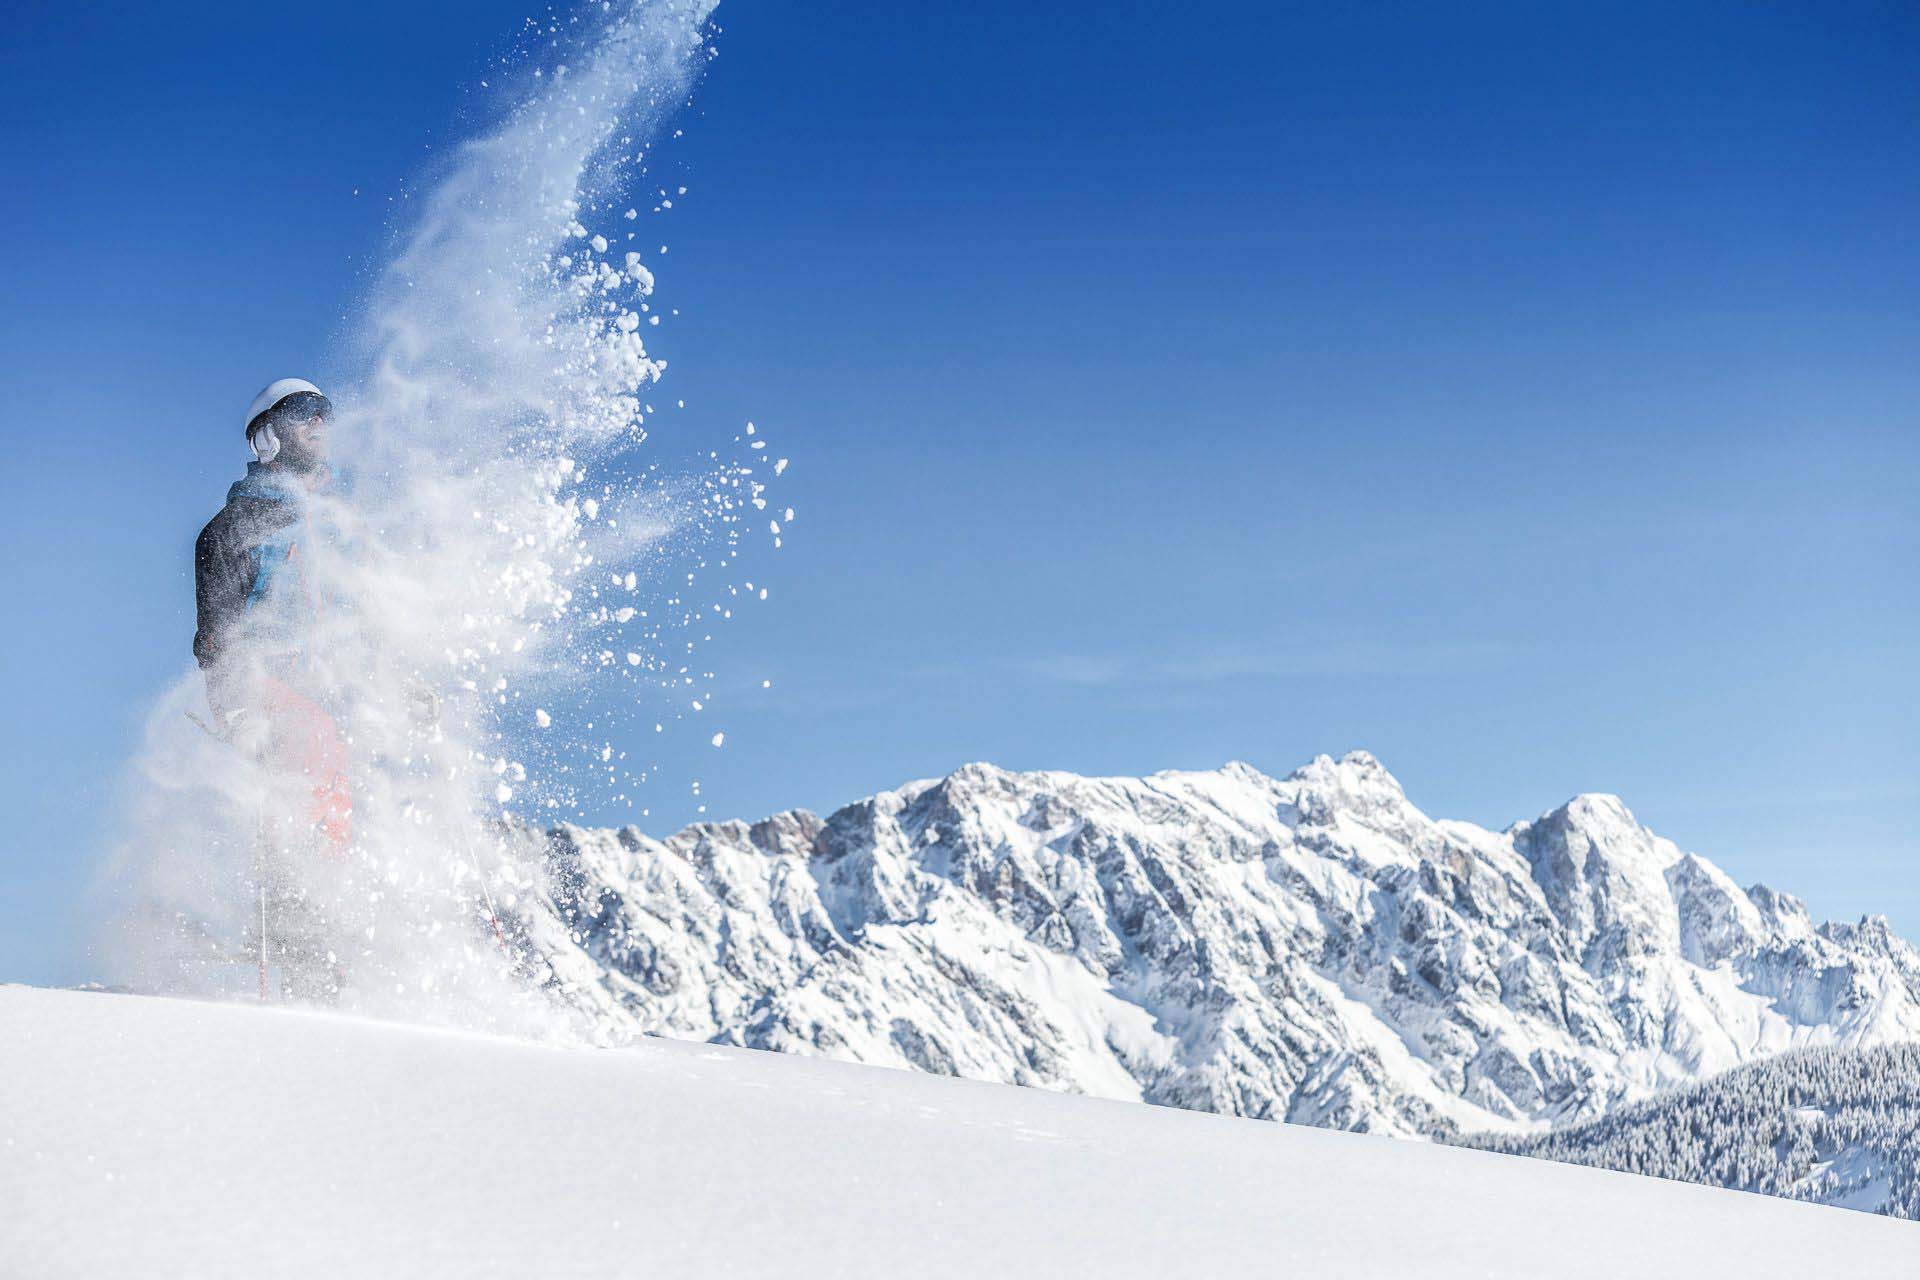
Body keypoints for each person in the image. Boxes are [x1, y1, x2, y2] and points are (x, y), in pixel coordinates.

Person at [193, 378, 351, 996]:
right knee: (308, 764)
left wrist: (407, 683)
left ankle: (340, 939)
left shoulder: (333, 528)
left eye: (325, 412)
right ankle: (299, 949)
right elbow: (217, 636)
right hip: (266, 685)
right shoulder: (236, 525)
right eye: (303, 412)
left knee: (348, 801)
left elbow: (366, 615)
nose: (319, 422)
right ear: (267, 436)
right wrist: (236, 708)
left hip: (329, 688)